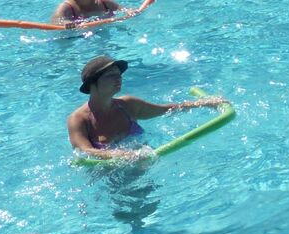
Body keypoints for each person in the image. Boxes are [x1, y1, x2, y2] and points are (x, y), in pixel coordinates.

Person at [66, 55, 227, 160]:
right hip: (108, 175)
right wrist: (120, 155)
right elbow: (85, 152)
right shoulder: (78, 119)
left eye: (119, 75)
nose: (118, 79)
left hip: (144, 162)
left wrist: (203, 103)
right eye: (111, 76)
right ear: (92, 85)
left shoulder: (127, 105)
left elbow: (167, 109)